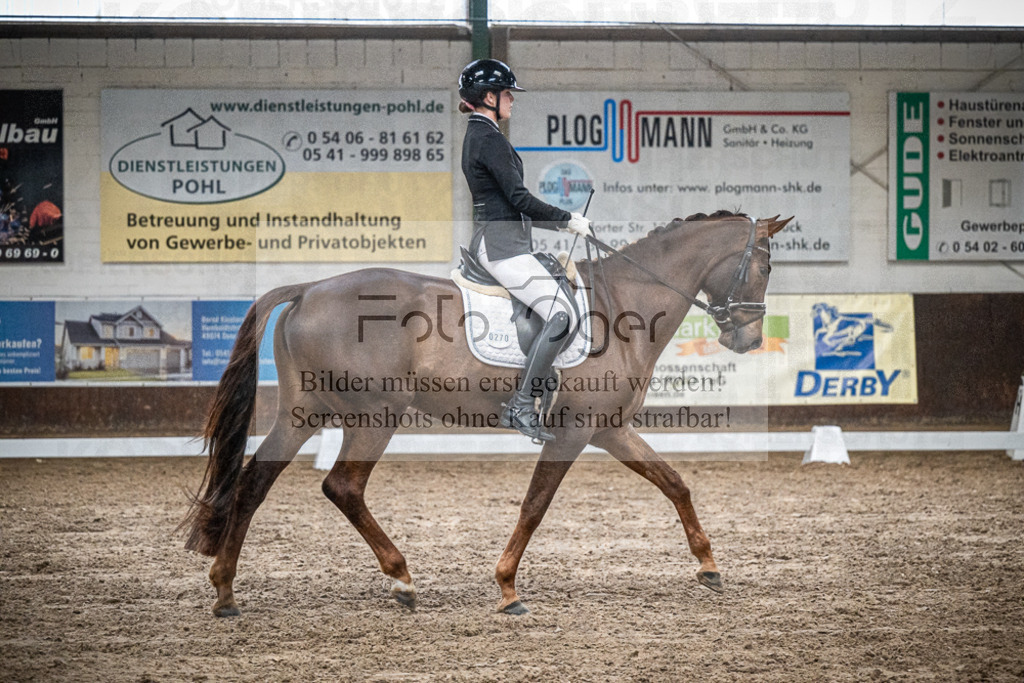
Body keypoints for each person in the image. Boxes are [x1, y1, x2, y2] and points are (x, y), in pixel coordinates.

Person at [458, 58, 592, 442]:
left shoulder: (484, 135)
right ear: (488, 97)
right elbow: (519, 197)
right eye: (506, 94)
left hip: (506, 242)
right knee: (561, 315)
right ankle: (520, 404)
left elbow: (513, 202)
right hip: (501, 247)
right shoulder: (487, 138)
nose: (512, 100)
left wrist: (561, 222)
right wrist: (567, 218)